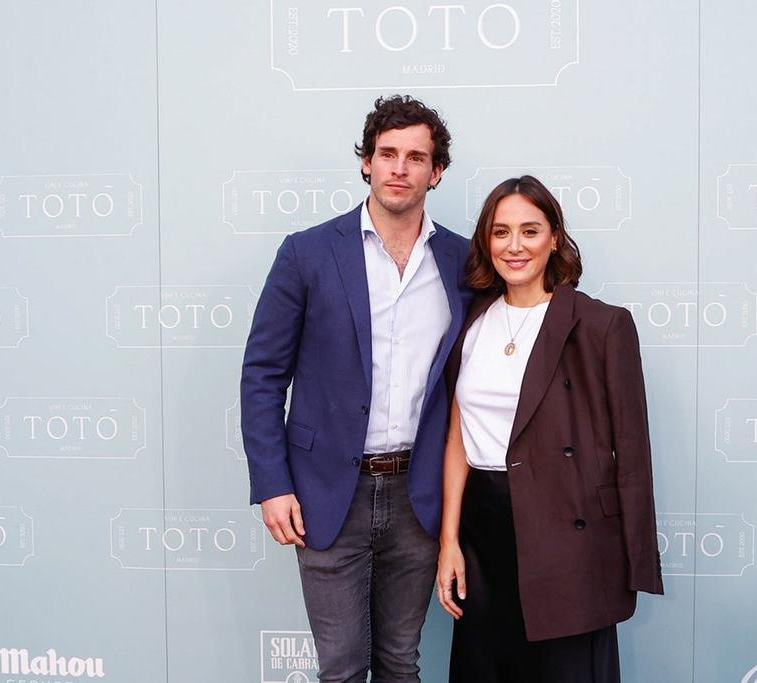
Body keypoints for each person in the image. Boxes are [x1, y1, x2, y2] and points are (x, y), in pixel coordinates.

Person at [241, 95, 471, 683]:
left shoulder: (463, 262)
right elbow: (263, 374)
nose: (399, 167)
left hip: (419, 496)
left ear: (436, 172)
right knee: (341, 668)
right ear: (366, 162)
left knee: (401, 662)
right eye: (387, 153)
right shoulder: (307, 252)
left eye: (415, 157)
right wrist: (272, 484)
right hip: (324, 492)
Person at [435, 175, 664, 682]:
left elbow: (632, 451)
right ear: (485, 242)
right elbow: (457, 438)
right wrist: (448, 542)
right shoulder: (471, 322)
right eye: (500, 232)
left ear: (555, 238)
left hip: (567, 532)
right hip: (483, 531)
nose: (514, 246)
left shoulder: (600, 325)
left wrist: (632, 562)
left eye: (530, 231)